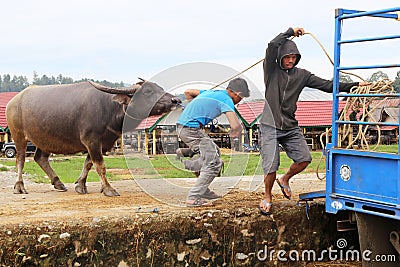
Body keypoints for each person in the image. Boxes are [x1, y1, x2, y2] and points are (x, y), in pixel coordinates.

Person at [258, 27, 368, 215]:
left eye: (294, 56)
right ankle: (268, 196)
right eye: (287, 56)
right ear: (280, 57)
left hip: (290, 125)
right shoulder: (271, 70)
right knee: (271, 165)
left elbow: (327, 85)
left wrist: (355, 85)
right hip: (269, 125)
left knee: (304, 159)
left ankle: (285, 179)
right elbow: (272, 45)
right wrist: (290, 31)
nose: (291, 60)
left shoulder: (302, 75)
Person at [176, 77, 250, 207]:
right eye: (241, 98)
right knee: (214, 163)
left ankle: (202, 188)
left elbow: (188, 92)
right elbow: (235, 125)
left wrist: (194, 108)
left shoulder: (212, 93)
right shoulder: (227, 100)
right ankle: (193, 197)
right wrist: (236, 131)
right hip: (190, 129)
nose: (239, 101)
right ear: (238, 94)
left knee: (214, 151)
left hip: (185, 127)